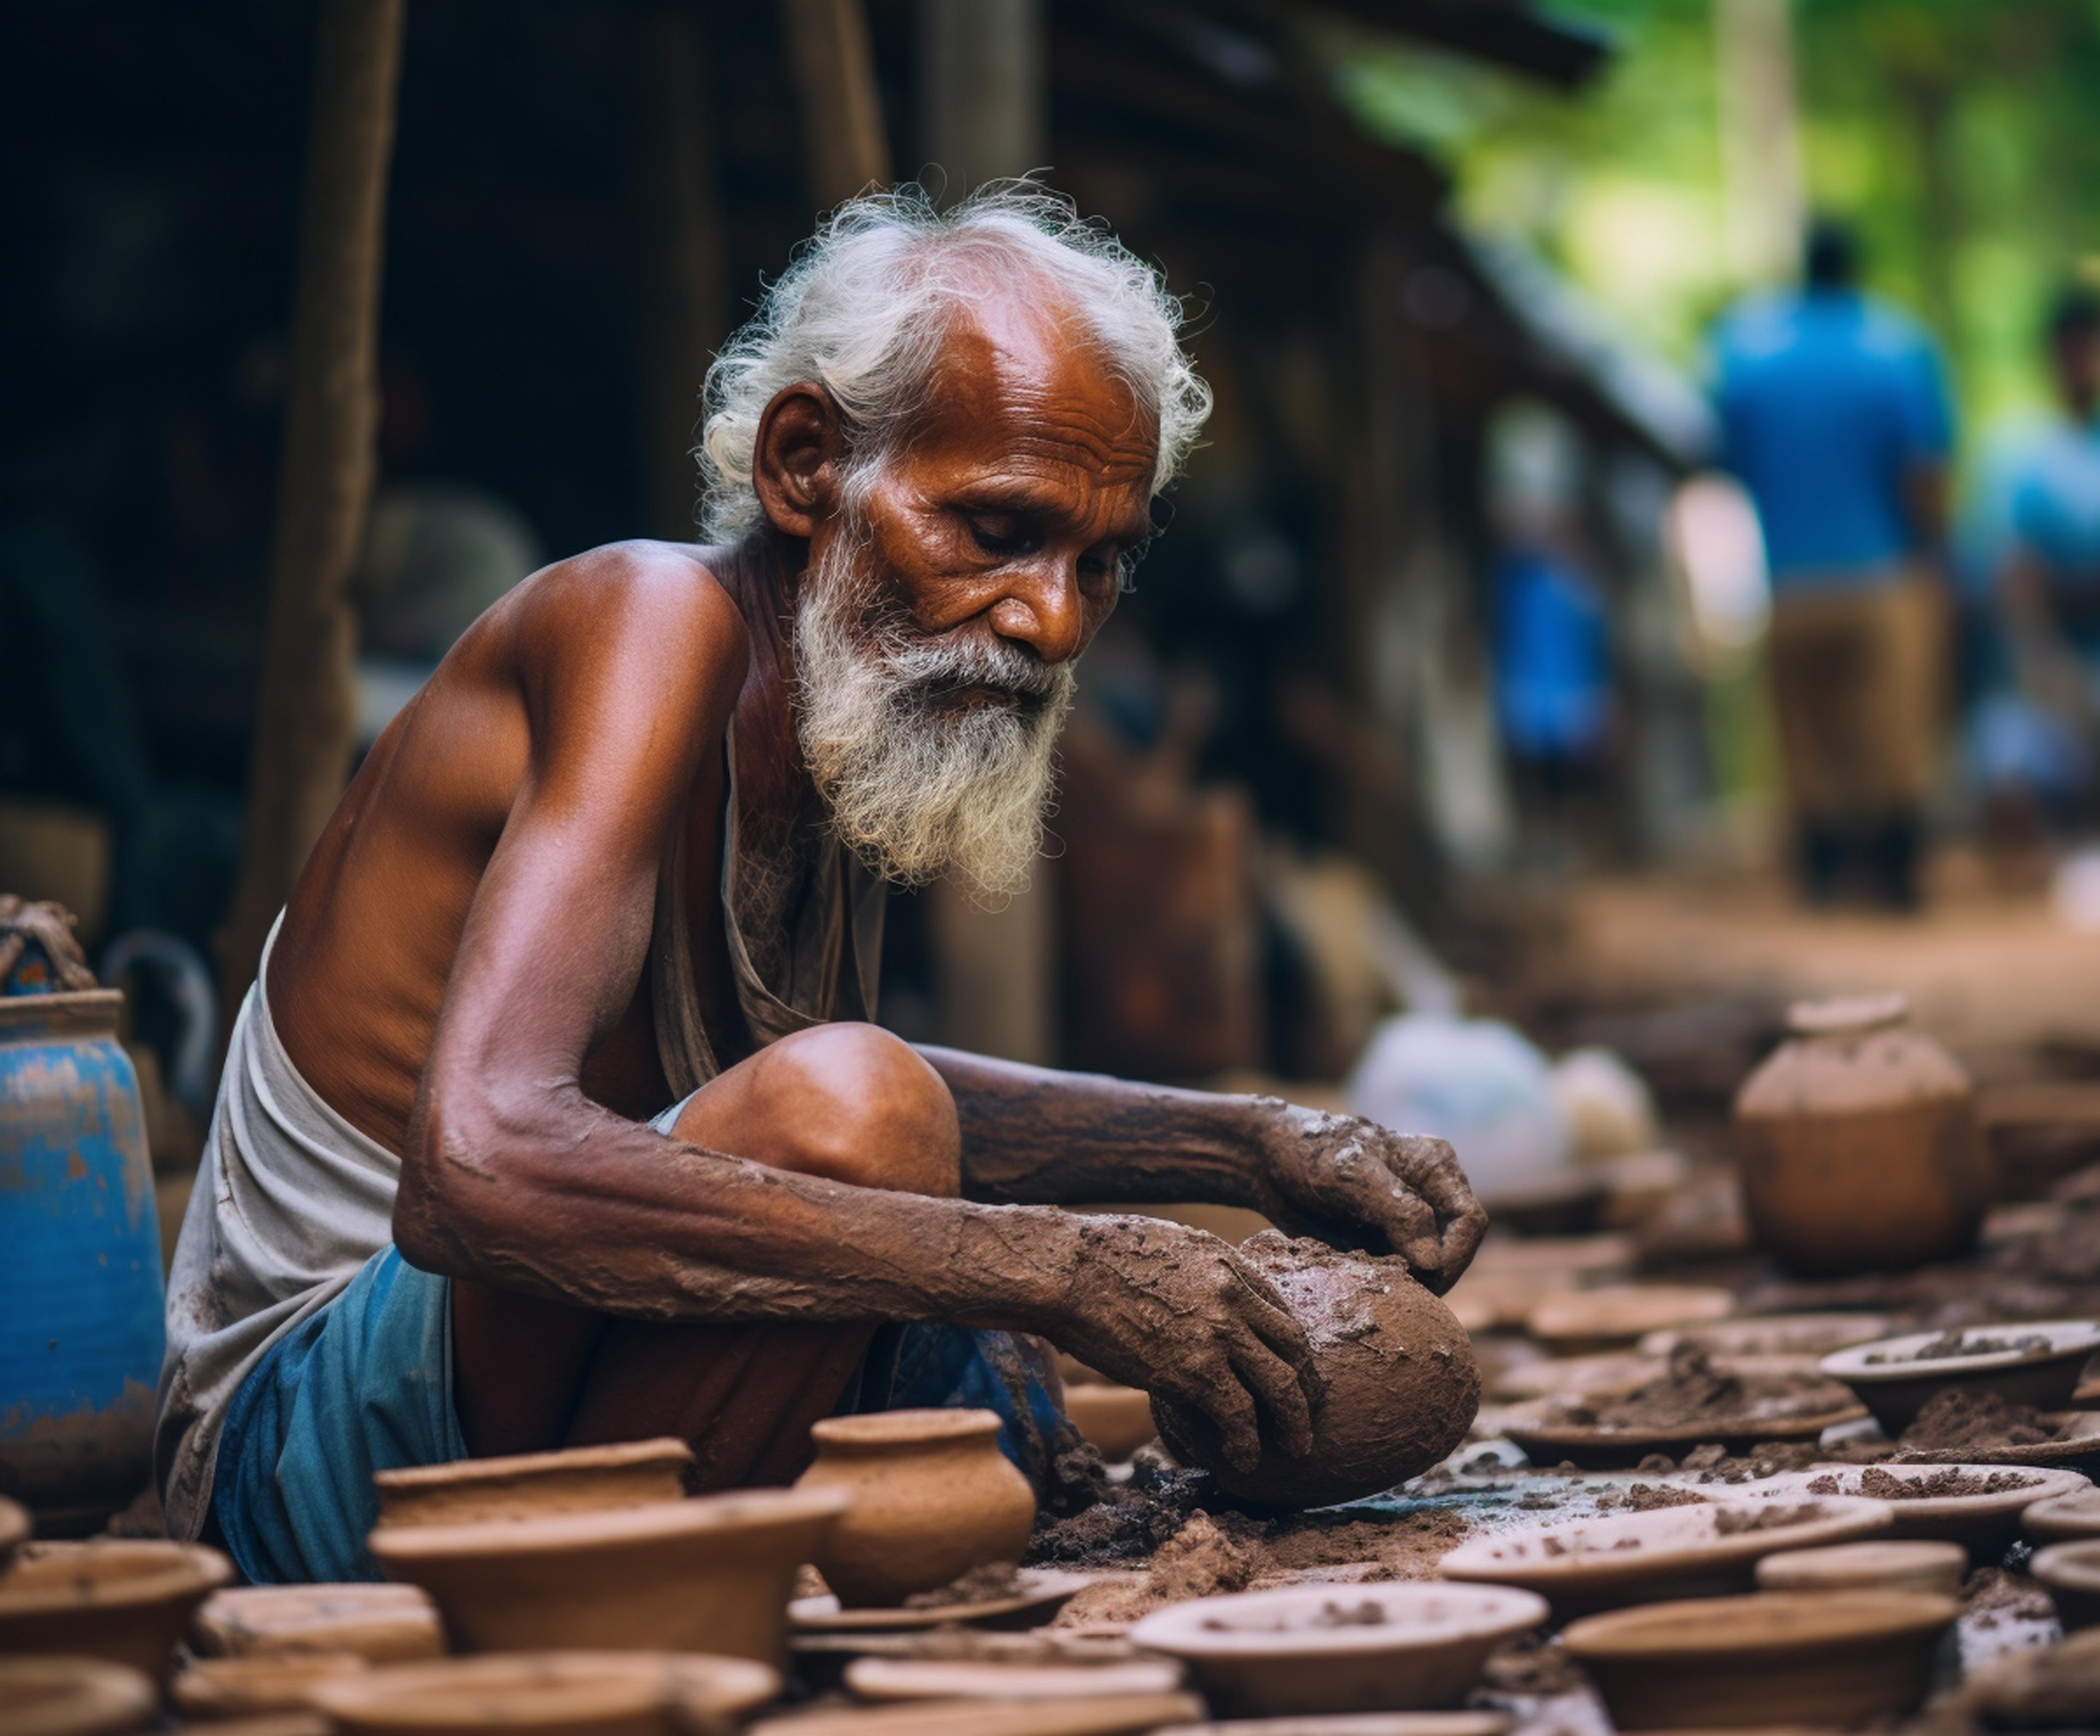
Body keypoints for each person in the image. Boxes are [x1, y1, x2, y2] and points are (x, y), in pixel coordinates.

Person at [156, 186, 1488, 1585]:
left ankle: (658, 1600)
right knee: (880, 1145)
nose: (1051, 619)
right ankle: (607, 1625)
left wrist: (1254, 1149)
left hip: (510, 1394)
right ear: (806, 464)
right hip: (291, 1458)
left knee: (895, 1182)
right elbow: (478, 1170)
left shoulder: (855, 702)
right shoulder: (646, 624)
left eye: (1102, 559)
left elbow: (847, 1119)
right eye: (994, 529)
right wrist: (1056, 1269)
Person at [1713, 220, 1956, 908]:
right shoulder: (1899, 346)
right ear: (1855, 271)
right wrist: (1933, 555)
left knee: (1804, 739)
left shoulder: (1746, 350)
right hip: (1882, 574)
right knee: (1894, 733)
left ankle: (1820, 874)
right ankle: (1896, 873)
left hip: (1788, 580)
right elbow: (1924, 471)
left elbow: (1729, 461)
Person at [1968, 287, 2100, 849]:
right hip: (2052, 668)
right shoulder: (2018, 455)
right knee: (2009, 754)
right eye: (2073, 350)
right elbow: (2008, 579)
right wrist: (2046, 663)